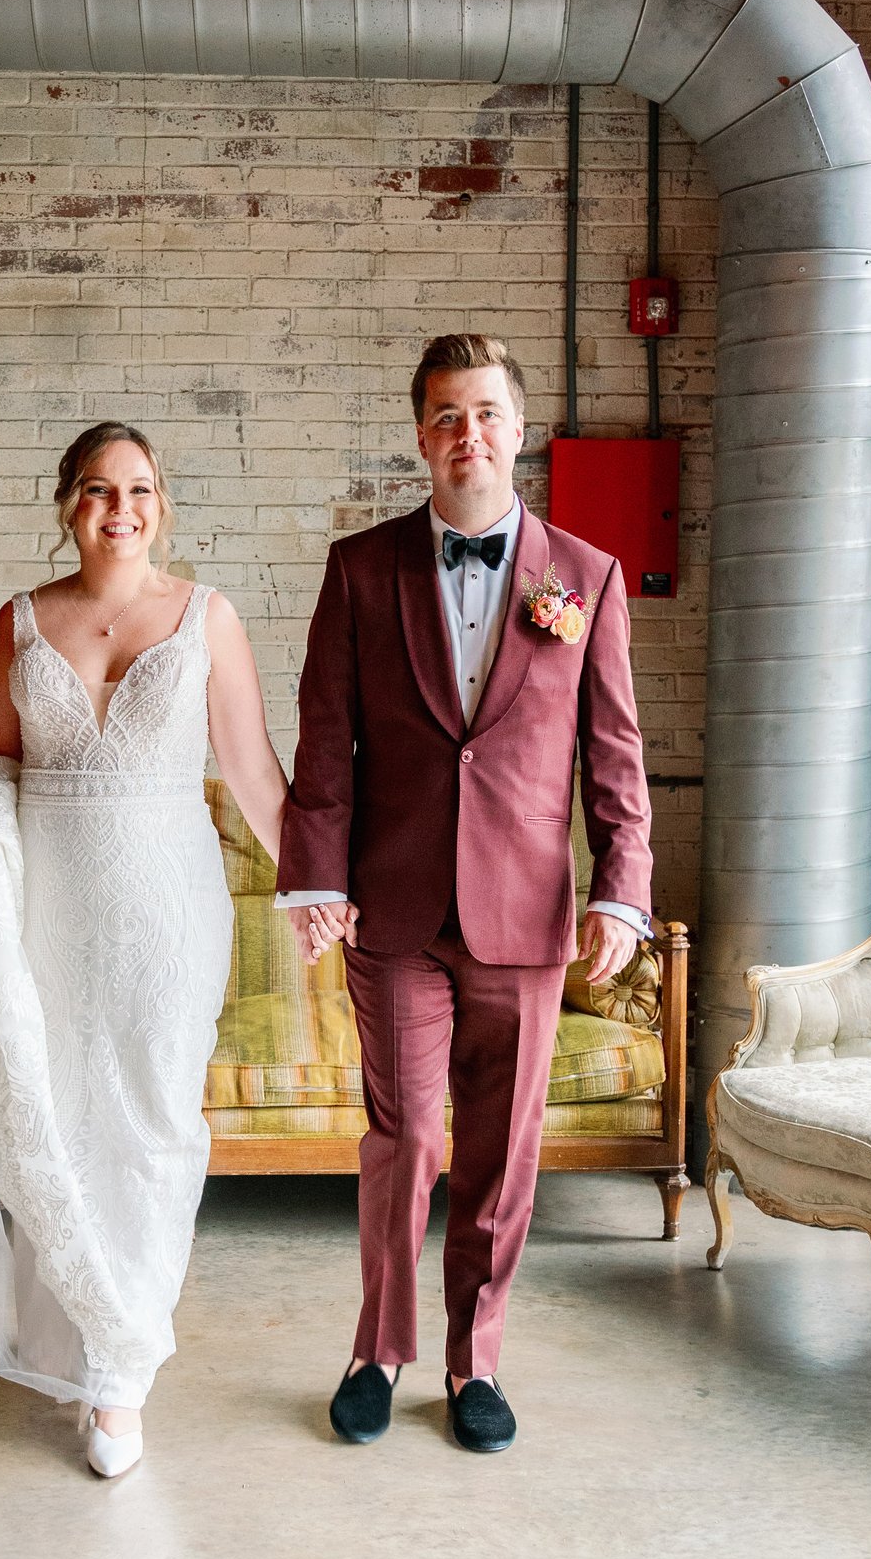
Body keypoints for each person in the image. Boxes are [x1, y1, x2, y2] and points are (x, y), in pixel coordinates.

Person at [0, 421, 324, 1479]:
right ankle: (79, 1328)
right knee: (59, 1119)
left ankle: (123, 1371)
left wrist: (312, 883)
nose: (122, 507)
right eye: (99, 489)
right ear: (66, 502)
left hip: (170, 908)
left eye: (141, 489)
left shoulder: (207, 616)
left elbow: (254, 771)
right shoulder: (20, 620)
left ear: (164, 504)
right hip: (52, 916)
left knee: (154, 1119)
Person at [279, 333, 654, 1455]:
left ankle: (473, 1356)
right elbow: (325, 743)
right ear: (419, 436)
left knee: (503, 1147)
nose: (466, 436)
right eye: (445, 417)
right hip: (391, 915)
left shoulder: (583, 577)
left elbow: (614, 755)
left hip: (526, 915)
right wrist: (316, 877)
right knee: (403, 1138)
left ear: (517, 427)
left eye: (484, 413)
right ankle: (377, 1349)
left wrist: (621, 892)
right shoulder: (360, 568)